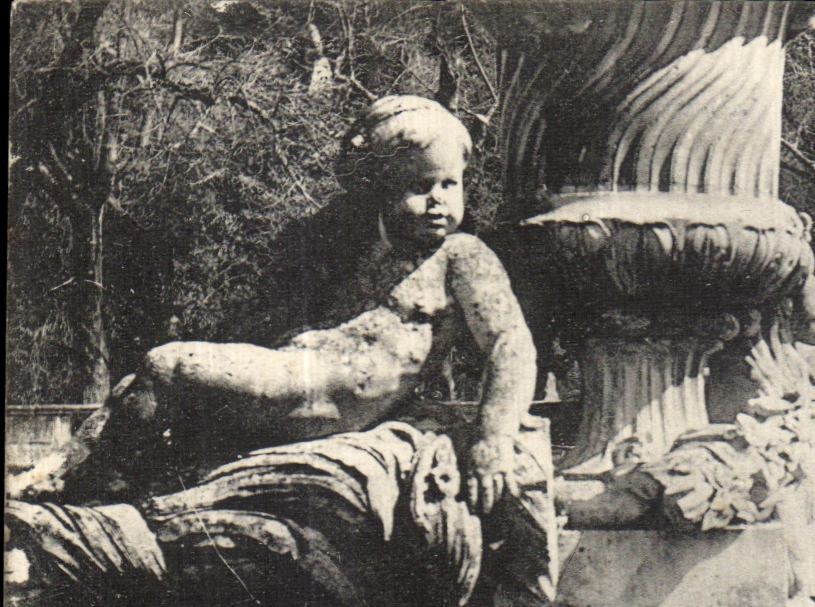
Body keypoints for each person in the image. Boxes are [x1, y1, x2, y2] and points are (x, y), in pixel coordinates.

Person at [13, 95, 536, 514]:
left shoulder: (462, 255)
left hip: (318, 397)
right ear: (377, 189)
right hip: (301, 378)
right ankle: (63, 476)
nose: (440, 199)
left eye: (451, 184)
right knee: (139, 385)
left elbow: (510, 346)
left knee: (167, 364)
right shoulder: (361, 247)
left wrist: (494, 436)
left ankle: (75, 487)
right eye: (421, 186)